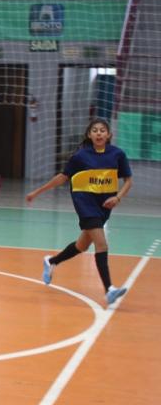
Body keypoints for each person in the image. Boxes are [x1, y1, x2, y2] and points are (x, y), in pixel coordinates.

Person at [25, 118, 132, 305]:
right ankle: (109, 290)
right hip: (85, 203)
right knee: (102, 244)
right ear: (89, 135)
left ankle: (52, 262)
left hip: (104, 205)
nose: (99, 133)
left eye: (102, 130)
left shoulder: (118, 154)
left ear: (109, 135)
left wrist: (118, 197)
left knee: (82, 246)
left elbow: (128, 180)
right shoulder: (81, 156)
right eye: (95, 130)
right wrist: (37, 192)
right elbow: (62, 177)